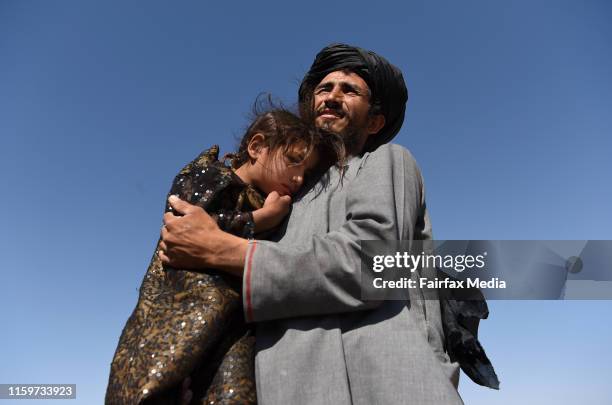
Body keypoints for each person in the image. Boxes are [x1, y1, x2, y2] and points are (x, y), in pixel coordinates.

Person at [159, 43, 490, 404]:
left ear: (375, 121)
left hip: (390, 385)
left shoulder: (385, 162)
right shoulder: (282, 199)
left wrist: (228, 251)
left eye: (349, 90)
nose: (332, 97)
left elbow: (372, 265)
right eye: (324, 89)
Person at [106, 105, 345, 404]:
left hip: (233, 332)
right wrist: (259, 220)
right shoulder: (210, 174)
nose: (298, 178)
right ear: (256, 147)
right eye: (293, 161)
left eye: (305, 171)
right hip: (177, 318)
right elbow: (184, 227)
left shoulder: (276, 204)